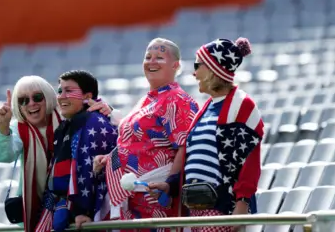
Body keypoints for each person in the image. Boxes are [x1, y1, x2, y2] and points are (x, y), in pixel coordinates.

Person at [149, 37, 264, 232]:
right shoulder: (206, 108)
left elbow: (249, 160)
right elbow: (195, 159)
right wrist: (171, 186)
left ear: (213, 69)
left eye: (198, 65)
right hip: (196, 208)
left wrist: (242, 204)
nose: (194, 73)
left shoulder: (242, 105)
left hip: (222, 209)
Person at [94, 38, 199, 228]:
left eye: (159, 57)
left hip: (155, 197)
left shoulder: (177, 99)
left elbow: (186, 145)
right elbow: (136, 144)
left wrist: (171, 183)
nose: (151, 61)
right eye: (148, 57)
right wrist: (109, 159)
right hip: (132, 197)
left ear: (175, 66)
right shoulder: (145, 100)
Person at [0, 75, 112, 231]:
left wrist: (107, 109)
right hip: (37, 209)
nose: (31, 104)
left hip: (72, 202)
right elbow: (3, 156)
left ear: (48, 98)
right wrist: (3, 125)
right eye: (23, 100)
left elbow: (90, 108)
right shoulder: (18, 128)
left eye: (37, 97)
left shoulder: (66, 115)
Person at [34, 70, 118, 232]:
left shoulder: (93, 122)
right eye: (60, 91)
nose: (61, 96)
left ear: (87, 96)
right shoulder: (67, 125)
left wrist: (82, 211)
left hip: (87, 216)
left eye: (69, 91)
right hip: (65, 207)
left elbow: (87, 170)